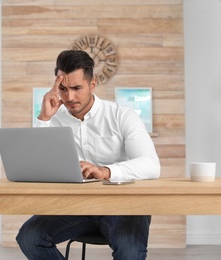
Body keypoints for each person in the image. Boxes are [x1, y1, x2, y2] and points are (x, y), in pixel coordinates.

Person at [16, 50, 160, 260]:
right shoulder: (53, 118)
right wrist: (44, 117)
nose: (69, 97)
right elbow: (34, 165)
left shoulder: (122, 115)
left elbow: (151, 164)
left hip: (123, 205)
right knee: (29, 237)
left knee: (130, 252)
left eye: (76, 88)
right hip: (77, 205)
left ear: (92, 85)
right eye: (63, 89)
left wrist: (106, 171)